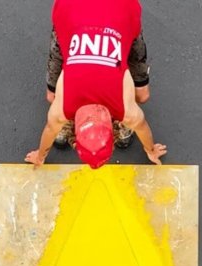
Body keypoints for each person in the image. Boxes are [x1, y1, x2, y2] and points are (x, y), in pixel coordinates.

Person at [25, 0, 166, 168]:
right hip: (76, 14)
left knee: (142, 96)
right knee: (52, 97)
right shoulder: (61, 111)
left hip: (117, 12)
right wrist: (39, 156)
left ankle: (117, 124)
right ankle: (118, 126)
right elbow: (50, 129)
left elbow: (142, 127)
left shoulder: (127, 112)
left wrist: (151, 150)